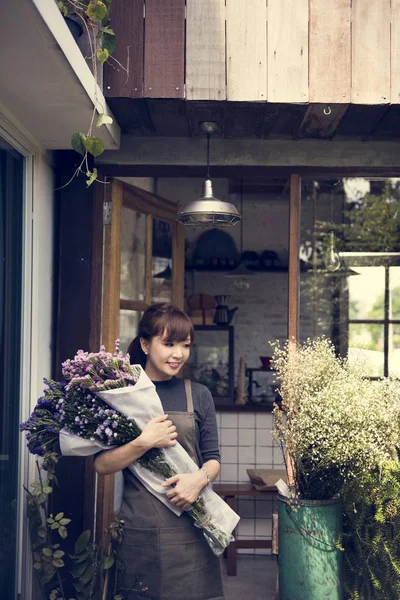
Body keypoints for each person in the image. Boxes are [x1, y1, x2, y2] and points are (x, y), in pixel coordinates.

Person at [94, 303, 224, 600]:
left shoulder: (198, 394)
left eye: (185, 345)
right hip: (141, 531)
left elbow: (214, 459)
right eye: (168, 344)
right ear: (145, 343)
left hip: (192, 525)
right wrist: (144, 441)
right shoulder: (123, 395)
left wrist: (198, 479)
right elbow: (102, 465)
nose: (178, 354)